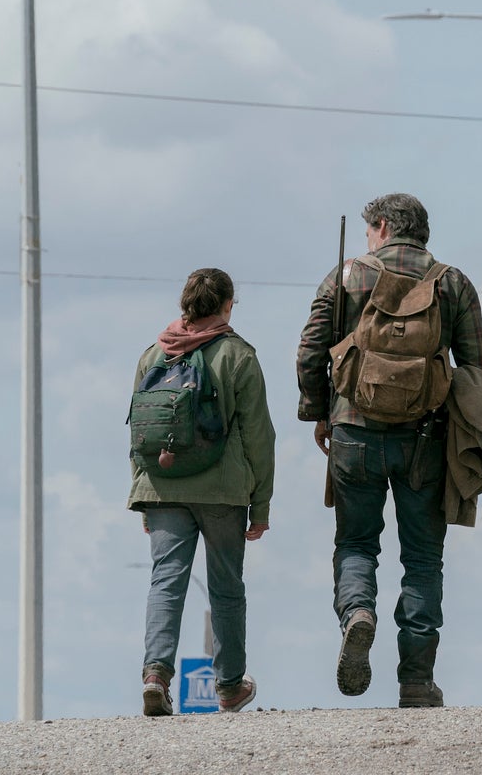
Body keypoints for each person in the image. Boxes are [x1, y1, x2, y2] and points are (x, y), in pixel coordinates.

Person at [297, 193, 482, 709]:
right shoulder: (452, 283)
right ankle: (415, 680)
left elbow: (310, 348)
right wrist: (475, 439)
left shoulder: (345, 276)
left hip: (353, 432)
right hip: (425, 439)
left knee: (358, 544)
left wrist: (319, 410)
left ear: (383, 227)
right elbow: (477, 367)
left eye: (370, 230)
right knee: (424, 559)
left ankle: (358, 613)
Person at [128, 267, 276, 717]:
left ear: (185, 304)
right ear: (227, 304)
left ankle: (156, 675)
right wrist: (261, 505)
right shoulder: (238, 356)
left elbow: (139, 430)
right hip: (223, 490)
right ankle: (229, 686)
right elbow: (259, 436)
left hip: (163, 486)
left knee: (165, 582)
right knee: (226, 587)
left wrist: (143, 494)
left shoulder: (154, 355)